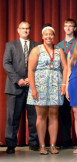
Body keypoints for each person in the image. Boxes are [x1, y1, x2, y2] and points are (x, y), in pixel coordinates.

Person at [27, 25, 67, 155]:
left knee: (54, 115)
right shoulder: (36, 50)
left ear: (54, 36)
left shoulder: (59, 50)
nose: (49, 36)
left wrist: (64, 84)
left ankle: (53, 145)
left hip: (56, 84)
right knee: (41, 116)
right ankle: (42, 146)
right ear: (42, 36)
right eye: (46, 34)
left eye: (51, 34)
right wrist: (33, 88)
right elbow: (31, 70)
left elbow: (65, 68)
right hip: (40, 85)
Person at [3, 21, 39, 154]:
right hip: (14, 87)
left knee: (34, 116)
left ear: (30, 30)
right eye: (23, 28)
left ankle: (34, 142)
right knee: (12, 117)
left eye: (28, 28)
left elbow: (39, 65)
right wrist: (18, 80)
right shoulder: (10, 45)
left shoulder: (37, 46)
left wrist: (31, 79)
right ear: (18, 30)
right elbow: (6, 63)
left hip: (32, 87)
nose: (25, 30)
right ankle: (11, 144)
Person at [57, 18, 77, 148]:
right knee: (63, 112)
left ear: (75, 29)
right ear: (64, 28)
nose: (68, 28)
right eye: (66, 26)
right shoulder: (58, 45)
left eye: (71, 26)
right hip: (63, 81)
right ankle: (66, 140)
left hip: (76, 80)